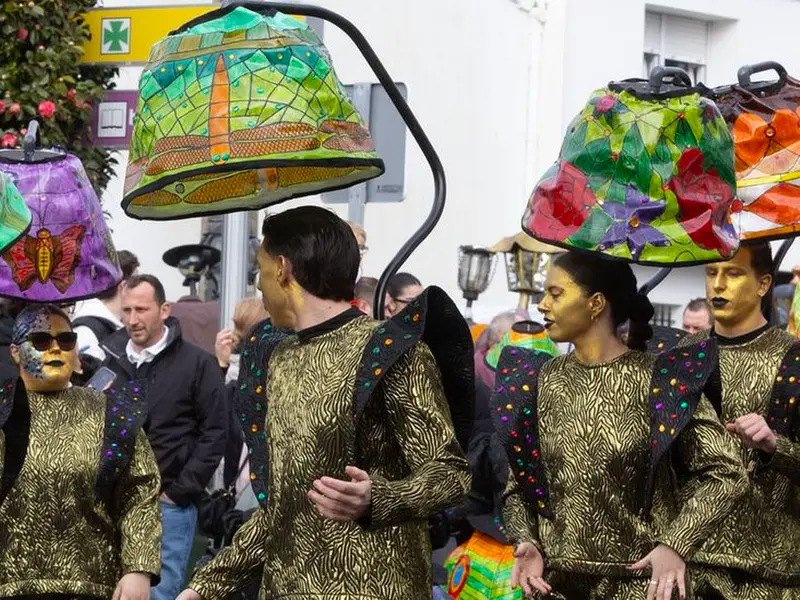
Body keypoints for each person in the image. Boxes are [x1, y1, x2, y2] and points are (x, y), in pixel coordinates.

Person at [179, 206, 472, 600]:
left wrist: (378, 498)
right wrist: (203, 588)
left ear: (282, 268)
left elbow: (451, 474)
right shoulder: (279, 358)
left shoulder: (391, 352)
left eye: (260, 270)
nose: (259, 285)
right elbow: (281, 508)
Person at [494, 251, 745, 599]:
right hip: (553, 586)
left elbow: (727, 473)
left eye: (555, 294)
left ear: (596, 303)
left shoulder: (660, 380)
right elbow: (519, 485)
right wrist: (527, 540)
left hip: (640, 587)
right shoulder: (539, 381)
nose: (542, 305)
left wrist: (676, 544)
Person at [0, 303, 161, 599]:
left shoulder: (112, 414)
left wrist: (138, 568)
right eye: (40, 340)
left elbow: (139, 493)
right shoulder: (3, 410)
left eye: (66, 340)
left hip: (92, 587)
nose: (55, 349)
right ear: (15, 352)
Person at [679, 243, 800, 599]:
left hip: (769, 575)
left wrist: (775, 446)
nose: (718, 284)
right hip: (687, 564)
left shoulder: (793, 358)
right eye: (711, 273)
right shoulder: (680, 357)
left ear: (763, 284)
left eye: (733, 273)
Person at [101, 274, 227, 600]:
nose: (132, 319)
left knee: (160, 595)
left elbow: (216, 431)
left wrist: (179, 491)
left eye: (141, 309)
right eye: (127, 310)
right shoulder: (110, 362)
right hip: (115, 505)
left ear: (164, 310)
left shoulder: (198, 363)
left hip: (169, 504)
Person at [73, 249, 141, 361]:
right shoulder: (86, 332)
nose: (140, 291)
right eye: (136, 284)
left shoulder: (113, 326)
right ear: (123, 286)